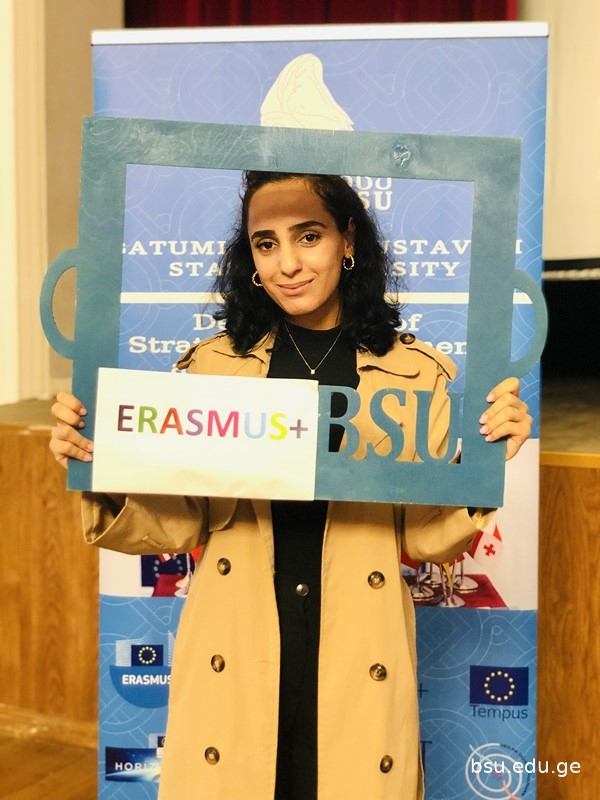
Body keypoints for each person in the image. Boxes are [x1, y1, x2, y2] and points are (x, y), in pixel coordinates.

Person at [50, 171, 532, 800]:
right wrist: (97, 460)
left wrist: (484, 466)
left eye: (308, 236)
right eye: (266, 243)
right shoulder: (214, 366)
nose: (288, 264)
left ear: (347, 240)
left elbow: (425, 535)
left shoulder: (416, 373)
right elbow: (182, 520)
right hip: (236, 638)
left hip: (357, 643)